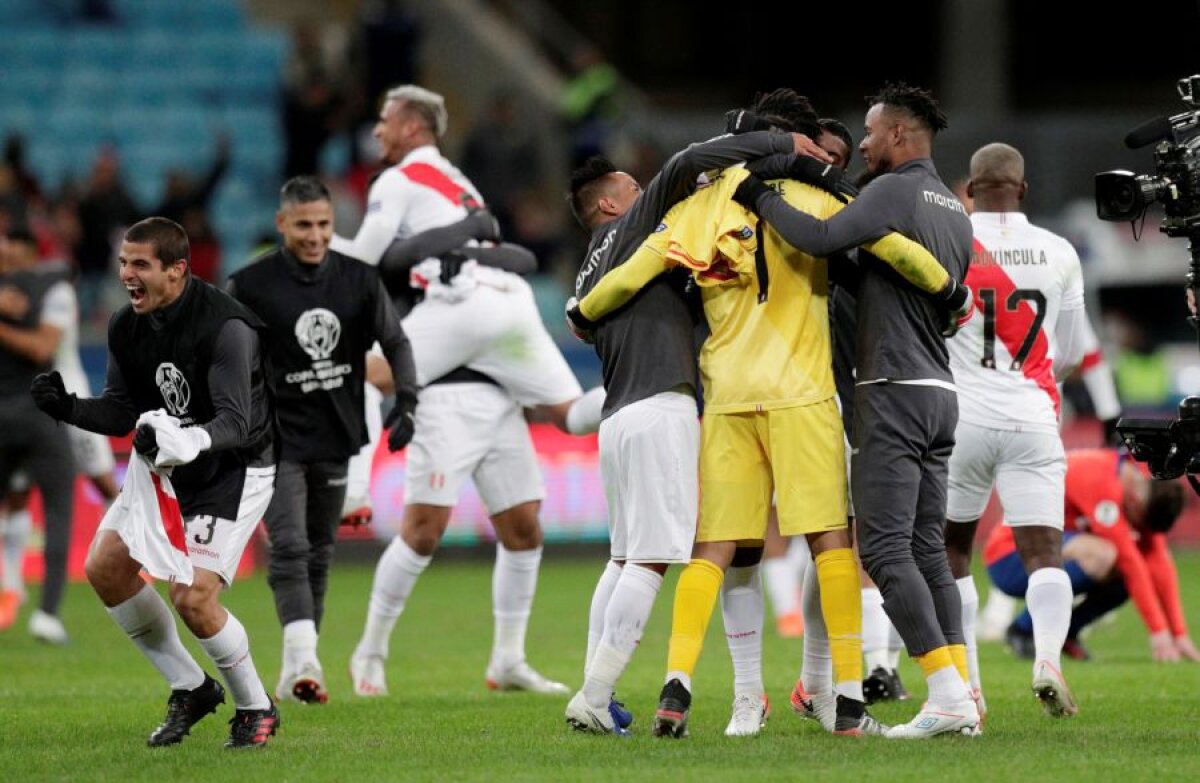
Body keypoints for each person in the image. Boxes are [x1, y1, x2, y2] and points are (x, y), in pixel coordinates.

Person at [567, 90, 955, 739]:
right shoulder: (823, 201)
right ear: (796, 143)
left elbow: (629, 276)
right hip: (802, 394)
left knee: (714, 549)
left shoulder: (695, 209)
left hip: (725, 400)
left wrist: (582, 312)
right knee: (831, 540)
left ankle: (678, 683)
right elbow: (892, 249)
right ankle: (850, 697)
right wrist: (950, 288)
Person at [560, 106, 819, 736]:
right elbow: (685, 162)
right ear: (612, 208)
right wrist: (781, 140)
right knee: (650, 559)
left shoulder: (591, 264)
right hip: (659, 407)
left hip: (619, 415)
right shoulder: (634, 229)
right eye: (632, 189)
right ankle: (594, 694)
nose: (647, 193)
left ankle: (597, 687)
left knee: (623, 558)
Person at [733, 82, 977, 738]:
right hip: (940, 392)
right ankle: (965, 691)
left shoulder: (892, 191)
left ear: (899, 134)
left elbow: (816, 237)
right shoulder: (954, 212)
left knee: (884, 547)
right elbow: (883, 280)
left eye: (870, 133)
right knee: (928, 548)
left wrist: (757, 194)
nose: (862, 146)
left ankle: (947, 692)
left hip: (891, 389)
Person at [331, 85, 593, 696]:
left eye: (383, 120)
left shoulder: (396, 181)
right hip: (502, 318)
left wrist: (306, 245)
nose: (377, 132)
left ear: (412, 124)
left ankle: (356, 493)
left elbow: (363, 259)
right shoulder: (463, 185)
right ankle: (652, 387)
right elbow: (504, 251)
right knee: (568, 424)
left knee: (367, 374)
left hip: (462, 325)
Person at [30, 217, 281, 749]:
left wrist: (184, 443)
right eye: (123, 262)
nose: (127, 274)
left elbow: (236, 423)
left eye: (140, 264)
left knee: (192, 598)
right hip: (166, 467)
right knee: (104, 567)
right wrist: (69, 407)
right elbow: (123, 410)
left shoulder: (226, 327)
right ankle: (190, 687)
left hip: (233, 470)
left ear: (177, 270)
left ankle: (256, 706)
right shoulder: (127, 326)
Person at [227, 176, 418, 706]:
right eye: (304, 225)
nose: (315, 236)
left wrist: (408, 401)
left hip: (337, 435)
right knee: (289, 545)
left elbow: (396, 341)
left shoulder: (357, 278)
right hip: (274, 438)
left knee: (319, 552)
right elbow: (221, 357)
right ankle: (308, 658)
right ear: (282, 224)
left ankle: (296, 668)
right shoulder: (250, 285)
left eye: (324, 226)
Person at [941, 142, 1093, 719]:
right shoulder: (1060, 251)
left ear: (971, 190)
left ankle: (970, 688)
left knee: (952, 548)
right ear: (1023, 190)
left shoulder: (950, 244)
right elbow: (1073, 353)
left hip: (963, 419)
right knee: (1045, 552)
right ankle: (1048, 659)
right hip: (1033, 416)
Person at [0, 229, 119, 639]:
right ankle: (12, 586)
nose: (7, 262)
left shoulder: (52, 289)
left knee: (104, 484)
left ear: (30, 255)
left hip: (72, 402)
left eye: (13, 254)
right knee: (15, 495)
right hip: (24, 407)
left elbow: (42, 347)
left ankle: (134, 560)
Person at [984, 448, 1200, 664]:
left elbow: (1159, 561)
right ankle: (1023, 629)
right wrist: (1158, 631)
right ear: (1135, 501)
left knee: (1122, 577)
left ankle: (1067, 633)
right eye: (1140, 523)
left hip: (1047, 554)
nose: (1138, 529)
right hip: (1009, 558)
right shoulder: (1100, 480)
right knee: (1104, 555)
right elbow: (1130, 561)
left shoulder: (1141, 486)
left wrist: (1179, 633)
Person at [0, 229, 76, 642]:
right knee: (59, 511)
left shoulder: (49, 284)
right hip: (34, 414)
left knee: (59, 509)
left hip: (40, 411)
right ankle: (40, 608)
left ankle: (44, 610)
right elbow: (42, 347)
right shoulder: (51, 286)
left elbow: (42, 347)